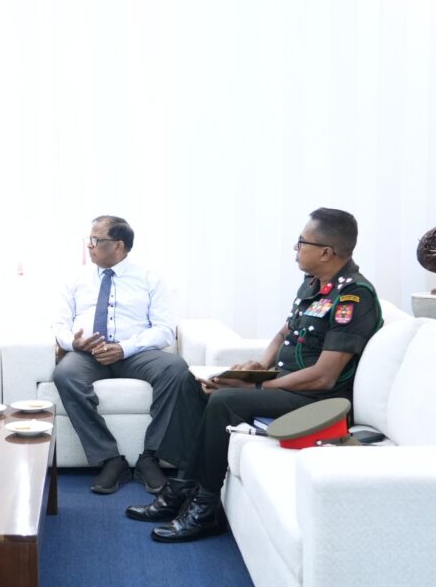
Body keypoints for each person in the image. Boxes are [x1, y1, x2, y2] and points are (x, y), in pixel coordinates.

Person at [127, 207, 382, 542]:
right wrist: (257, 368)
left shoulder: (354, 296)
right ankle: (181, 490)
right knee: (194, 384)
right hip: (291, 387)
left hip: (320, 401)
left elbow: (324, 377)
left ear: (325, 252)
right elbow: (283, 333)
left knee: (224, 401)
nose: (295, 248)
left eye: (301, 242)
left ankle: (205, 508)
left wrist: (261, 386)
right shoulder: (314, 284)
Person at [53, 215, 193, 495]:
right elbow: (59, 325)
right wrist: (74, 343)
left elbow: (165, 330)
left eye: (96, 240)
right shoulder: (76, 279)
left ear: (118, 245)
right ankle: (110, 459)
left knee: (176, 369)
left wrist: (125, 348)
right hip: (89, 354)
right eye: (89, 239)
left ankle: (150, 457)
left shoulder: (149, 278)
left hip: (134, 354)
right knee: (65, 374)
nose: (89, 245)